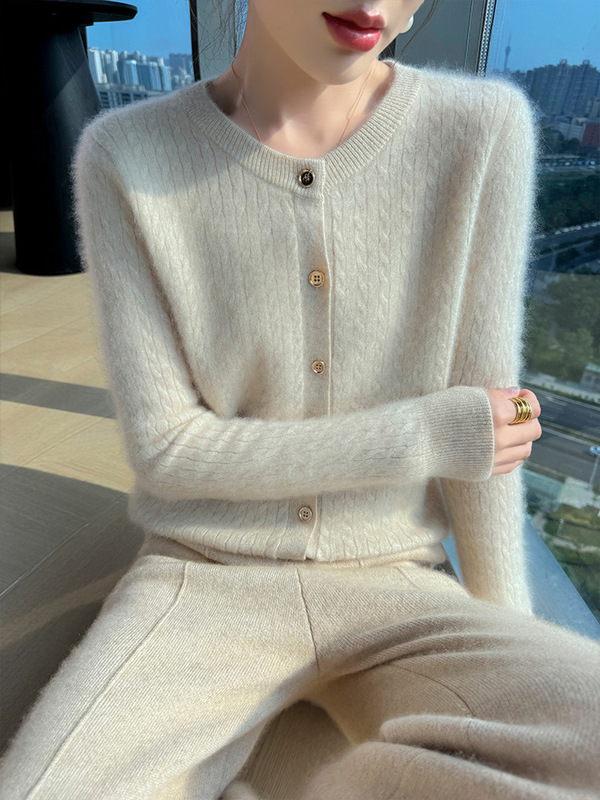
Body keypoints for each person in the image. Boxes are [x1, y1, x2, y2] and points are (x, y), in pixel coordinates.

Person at [1, 1, 599, 798]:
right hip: (203, 581)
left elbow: (489, 439)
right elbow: (168, 450)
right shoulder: (126, 152)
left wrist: (506, 651)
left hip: (401, 584)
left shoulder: (483, 129)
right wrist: (429, 433)